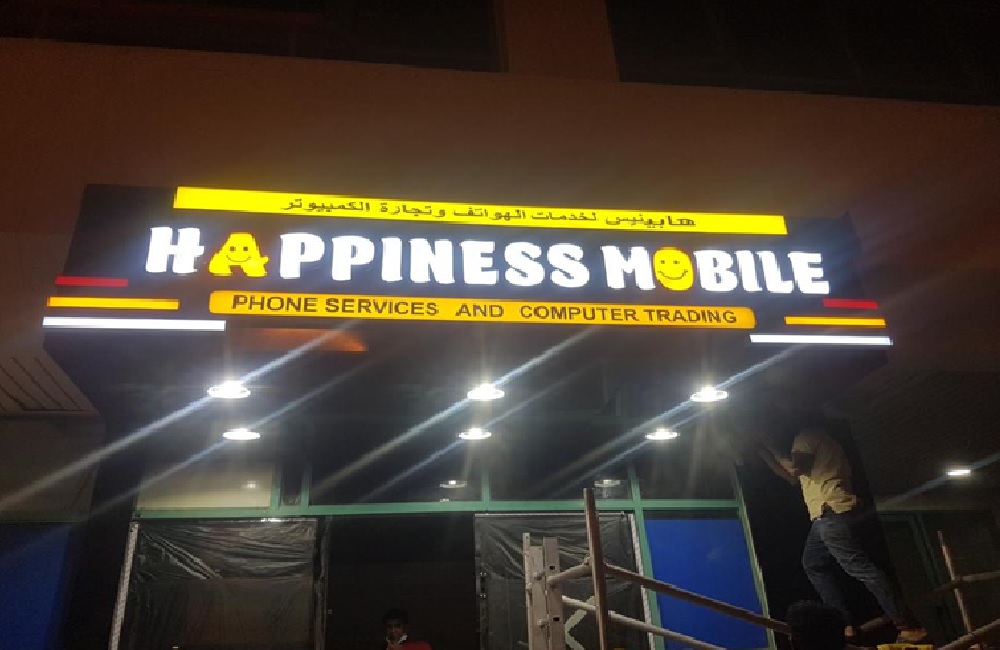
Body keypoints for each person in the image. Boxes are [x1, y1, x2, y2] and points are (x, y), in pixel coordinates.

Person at [758, 426, 927, 643]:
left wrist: (770, 447)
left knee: (860, 567)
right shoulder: (825, 444)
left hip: (831, 512)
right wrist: (765, 454)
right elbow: (793, 479)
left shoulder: (806, 437)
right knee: (813, 563)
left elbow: (793, 469)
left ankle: (907, 625)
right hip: (828, 515)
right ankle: (843, 622)